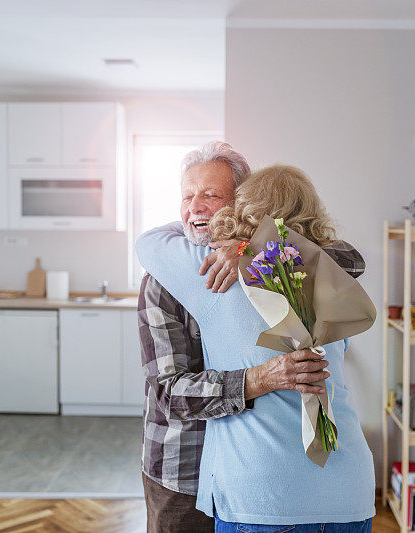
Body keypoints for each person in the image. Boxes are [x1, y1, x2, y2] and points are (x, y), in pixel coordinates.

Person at [138, 143, 366, 533]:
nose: (195, 206)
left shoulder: (299, 266)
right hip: (186, 466)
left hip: (256, 486)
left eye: (211, 195)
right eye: (187, 195)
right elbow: (167, 394)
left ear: (243, 202)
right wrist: (261, 378)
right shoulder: (165, 278)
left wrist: (250, 245)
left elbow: (350, 256)